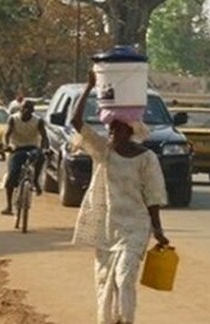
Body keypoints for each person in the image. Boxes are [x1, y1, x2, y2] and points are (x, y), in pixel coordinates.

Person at [70, 69, 169, 324]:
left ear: (130, 131)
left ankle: (126, 320)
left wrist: (157, 229)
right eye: (110, 129)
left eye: (117, 130)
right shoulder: (104, 152)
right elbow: (76, 123)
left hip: (135, 227)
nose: (111, 134)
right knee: (106, 280)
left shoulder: (147, 159)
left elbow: (153, 196)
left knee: (124, 277)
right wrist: (89, 87)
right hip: (108, 226)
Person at [0, 100, 50, 215]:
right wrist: (6, 145)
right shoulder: (13, 119)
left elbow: (44, 137)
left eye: (29, 108)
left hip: (32, 147)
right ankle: (8, 206)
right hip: (17, 149)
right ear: (20, 109)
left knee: (40, 157)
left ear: (33, 111)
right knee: (12, 176)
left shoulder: (38, 121)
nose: (26, 110)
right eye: (24, 108)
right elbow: (7, 134)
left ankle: (36, 181)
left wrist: (45, 149)